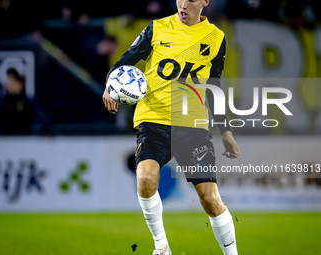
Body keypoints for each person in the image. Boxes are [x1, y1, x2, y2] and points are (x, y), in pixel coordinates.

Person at [103, 0, 241, 254]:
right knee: (145, 178)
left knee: (210, 199)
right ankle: (161, 247)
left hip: (192, 126)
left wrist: (226, 131)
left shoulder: (215, 37)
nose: (183, 4)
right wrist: (111, 86)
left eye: (190, 0)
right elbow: (124, 62)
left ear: (204, 2)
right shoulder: (156, 28)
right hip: (153, 119)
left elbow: (214, 85)